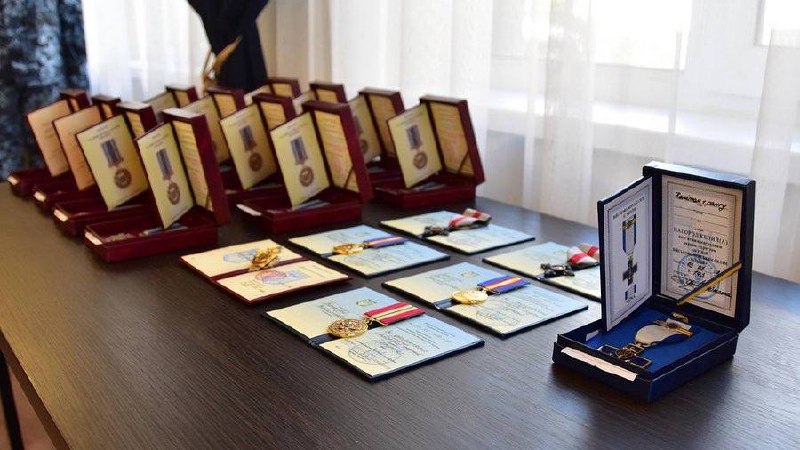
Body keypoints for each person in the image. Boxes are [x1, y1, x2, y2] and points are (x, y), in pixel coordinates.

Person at [0, 0, 89, 179]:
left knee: (51, 159)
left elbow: (72, 20)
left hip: (45, 77)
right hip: (4, 81)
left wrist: (78, 84)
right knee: (4, 161)